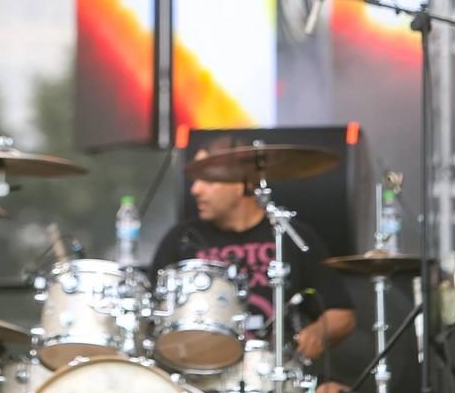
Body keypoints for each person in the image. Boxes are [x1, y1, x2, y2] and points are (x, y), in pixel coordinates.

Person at [150, 139, 357, 369]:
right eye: (195, 180)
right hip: (194, 373)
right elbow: (149, 316)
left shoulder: (290, 236)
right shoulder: (180, 240)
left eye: (208, 180)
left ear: (242, 184)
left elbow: (342, 315)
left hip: (273, 373)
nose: (195, 190)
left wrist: (318, 332)